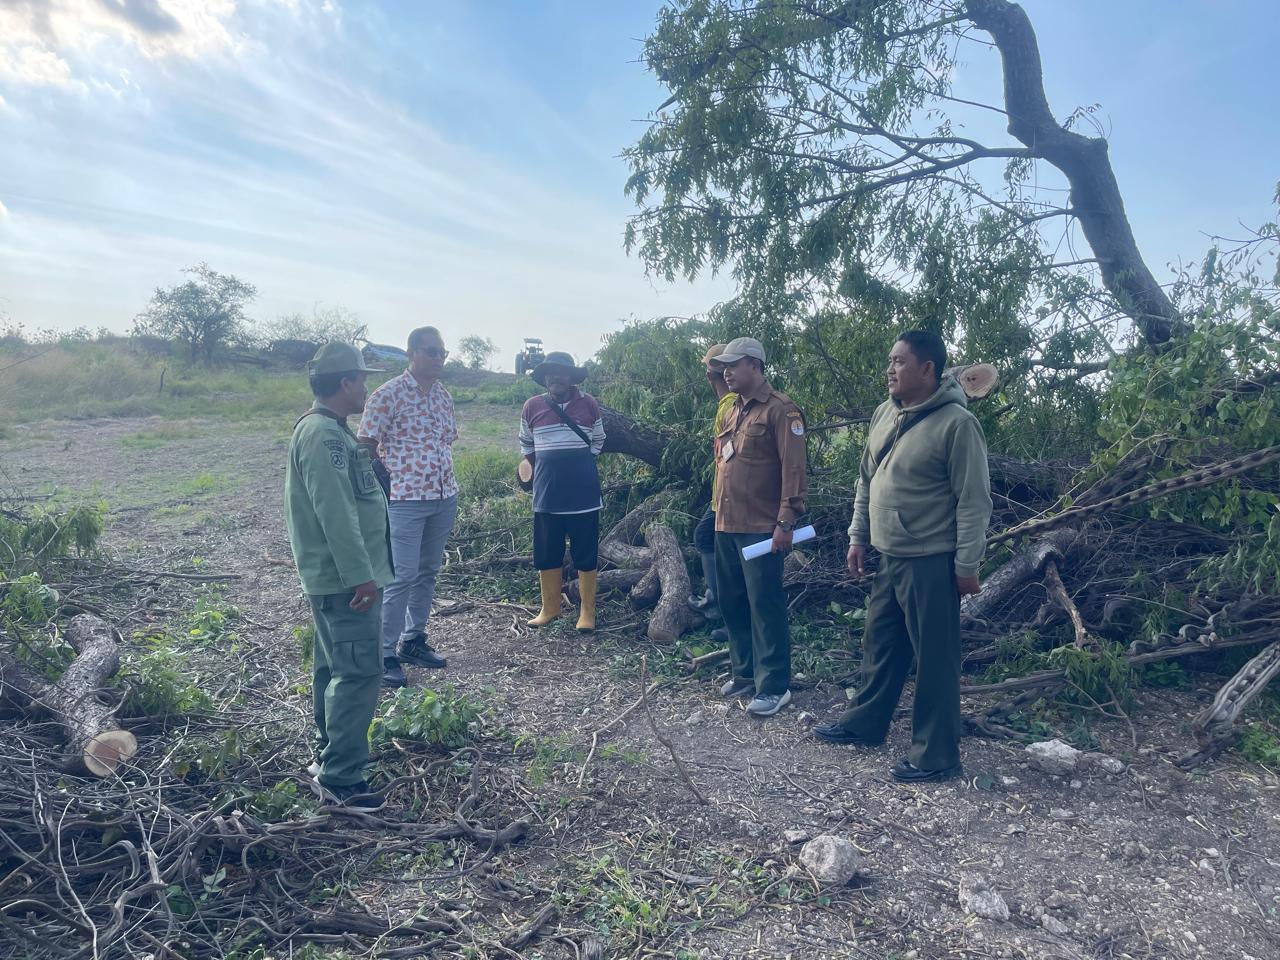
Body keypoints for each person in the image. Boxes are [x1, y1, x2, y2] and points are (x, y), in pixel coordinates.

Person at [814, 330, 992, 783]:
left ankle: (936, 754)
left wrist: (967, 565)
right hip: (889, 554)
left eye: (899, 362)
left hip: (931, 559)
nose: (890, 370)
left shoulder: (957, 424)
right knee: (881, 645)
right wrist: (859, 535)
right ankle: (865, 724)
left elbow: (974, 500)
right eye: (889, 361)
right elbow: (865, 479)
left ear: (928, 369)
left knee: (935, 659)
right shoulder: (884, 413)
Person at [284, 342, 394, 807]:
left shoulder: (331, 431)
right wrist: (361, 577)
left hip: (337, 580)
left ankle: (331, 756)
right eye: (362, 380)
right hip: (346, 582)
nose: (366, 389)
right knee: (357, 673)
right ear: (346, 383)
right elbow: (336, 512)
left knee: (332, 667)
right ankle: (342, 780)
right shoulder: (324, 435)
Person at [713, 336, 808, 717]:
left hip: (762, 526)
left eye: (733, 365)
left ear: (754, 365)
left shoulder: (781, 411)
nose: (726, 371)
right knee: (732, 601)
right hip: (727, 521)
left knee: (764, 604)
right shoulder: (733, 410)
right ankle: (745, 672)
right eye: (724, 365)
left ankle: (774, 686)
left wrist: (786, 520)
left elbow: (794, 469)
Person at [359, 325, 458, 688]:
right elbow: (366, 443)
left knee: (428, 570)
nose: (438, 358)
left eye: (442, 352)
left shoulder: (443, 396)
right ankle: (383, 653)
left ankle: (413, 640)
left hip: (444, 496)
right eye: (431, 351)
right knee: (401, 575)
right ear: (412, 353)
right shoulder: (388, 395)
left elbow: (446, 442)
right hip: (404, 499)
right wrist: (380, 485)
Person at [519, 351, 606, 631]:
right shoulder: (531, 407)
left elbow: (598, 441)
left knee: (586, 554)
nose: (556, 377)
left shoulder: (589, 404)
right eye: (551, 373)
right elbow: (526, 445)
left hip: (584, 495)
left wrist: (574, 462)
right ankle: (550, 608)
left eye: (562, 373)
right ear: (544, 378)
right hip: (546, 495)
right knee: (547, 553)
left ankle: (587, 613)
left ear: (571, 378)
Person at [688, 344, 737, 644]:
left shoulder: (730, 403)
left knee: (708, 539)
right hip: (723, 494)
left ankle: (720, 609)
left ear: (710, 374)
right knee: (708, 538)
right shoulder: (728, 402)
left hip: (730, 496)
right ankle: (717, 605)